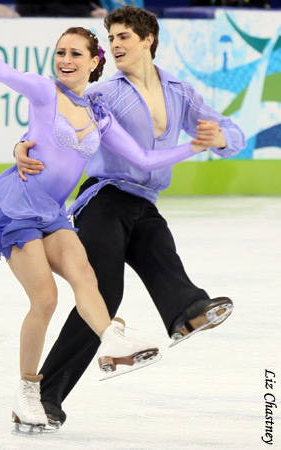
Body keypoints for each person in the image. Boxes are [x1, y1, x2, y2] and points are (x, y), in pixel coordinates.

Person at [0, 26, 206, 434]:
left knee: (86, 275)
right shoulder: (43, 91)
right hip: (16, 209)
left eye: (75, 54)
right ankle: (27, 389)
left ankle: (112, 338)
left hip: (53, 214)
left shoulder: (98, 115)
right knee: (46, 299)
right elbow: (2, 72)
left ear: (94, 63)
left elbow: (144, 158)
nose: (65, 60)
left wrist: (193, 147)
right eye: (60, 53)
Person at [14, 6, 246, 430]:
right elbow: (61, 114)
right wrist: (21, 145)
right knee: (103, 294)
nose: (115, 45)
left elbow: (231, 130)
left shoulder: (180, 90)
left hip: (144, 199)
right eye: (112, 38)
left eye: (123, 37)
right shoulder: (107, 93)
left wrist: (222, 136)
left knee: (162, 252)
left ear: (147, 40)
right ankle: (44, 395)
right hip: (104, 198)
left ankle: (187, 312)